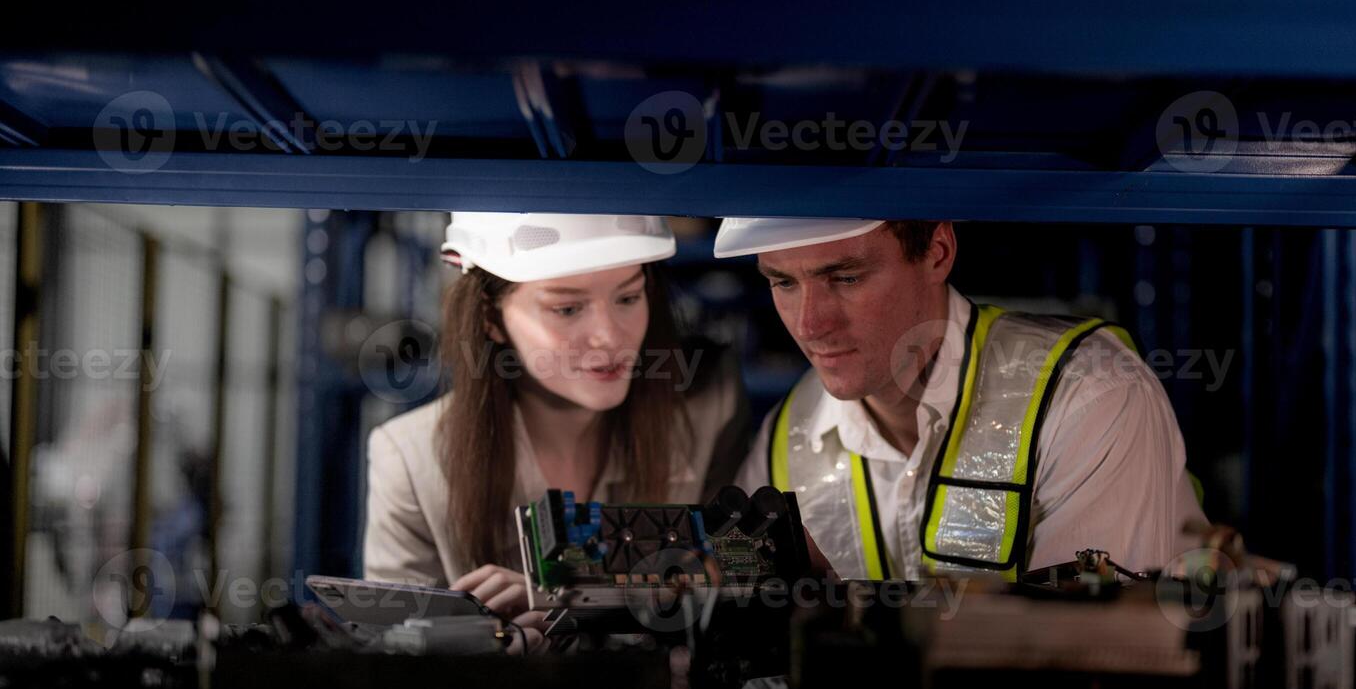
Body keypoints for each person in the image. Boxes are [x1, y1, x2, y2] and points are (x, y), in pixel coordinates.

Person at [721, 217, 1206, 581]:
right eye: (783, 282)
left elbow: (1083, 667)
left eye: (846, 278)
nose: (809, 325)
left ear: (937, 250)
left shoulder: (1089, 395)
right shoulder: (789, 433)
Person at [364, 212, 750, 631]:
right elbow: (395, 656)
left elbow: (744, 583)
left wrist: (581, 597)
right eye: (567, 308)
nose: (608, 335)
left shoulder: (708, 408)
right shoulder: (410, 458)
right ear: (490, 319)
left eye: (628, 298)